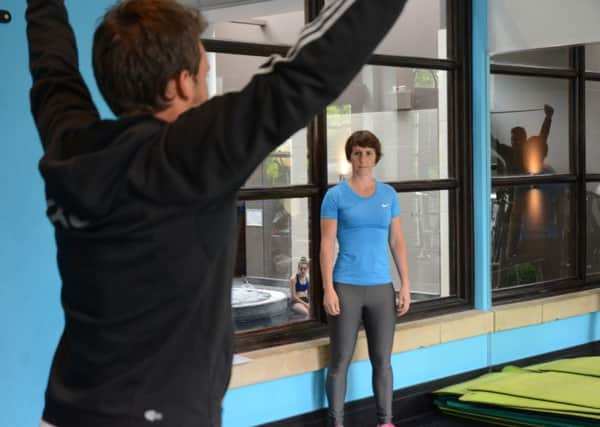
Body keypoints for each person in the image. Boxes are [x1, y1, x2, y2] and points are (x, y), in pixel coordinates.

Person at [26, 0, 409, 425]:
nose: (208, 79)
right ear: (181, 83)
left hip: (65, 413)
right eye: (204, 69)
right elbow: (313, 67)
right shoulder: (190, 156)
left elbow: (52, 70)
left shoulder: (71, 148)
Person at [320, 130, 411, 427]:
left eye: (369, 153)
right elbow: (326, 244)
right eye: (357, 152)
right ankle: (336, 423)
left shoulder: (388, 195)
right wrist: (328, 289)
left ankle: (385, 422)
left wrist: (405, 284)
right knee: (339, 361)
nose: (363, 159)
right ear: (350, 156)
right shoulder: (335, 196)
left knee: (382, 362)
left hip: (381, 289)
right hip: (346, 287)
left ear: (376, 158)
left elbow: (397, 241)